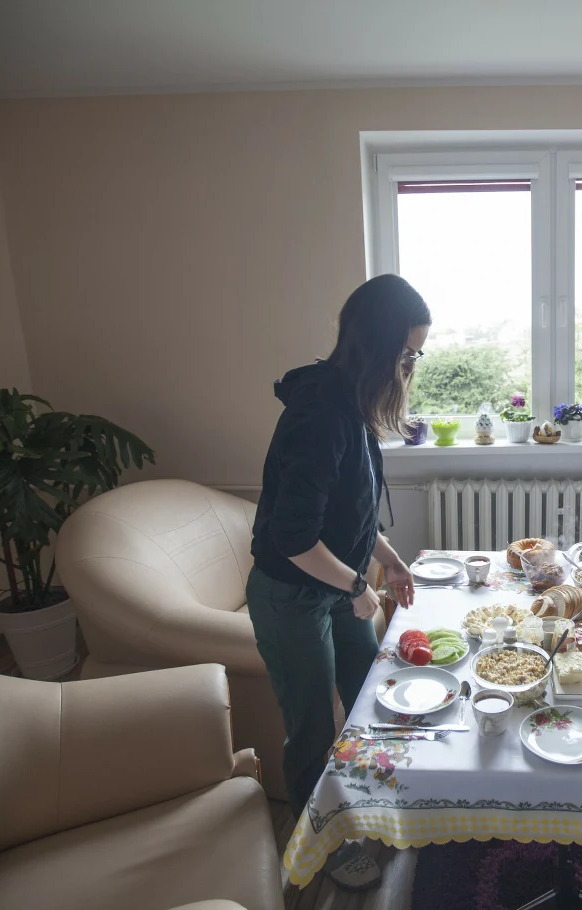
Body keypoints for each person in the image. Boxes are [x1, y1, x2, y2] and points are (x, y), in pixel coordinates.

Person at [247, 273, 428, 890]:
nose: (409, 369)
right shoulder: (319, 413)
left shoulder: (350, 402)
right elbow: (294, 537)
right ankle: (318, 844)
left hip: (330, 586)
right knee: (312, 730)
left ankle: (367, 808)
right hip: (291, 595)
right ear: (376, 347)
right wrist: (356, 586)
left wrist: (389, 557)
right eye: (406, 355)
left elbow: (347, 513)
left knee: (369, 698)